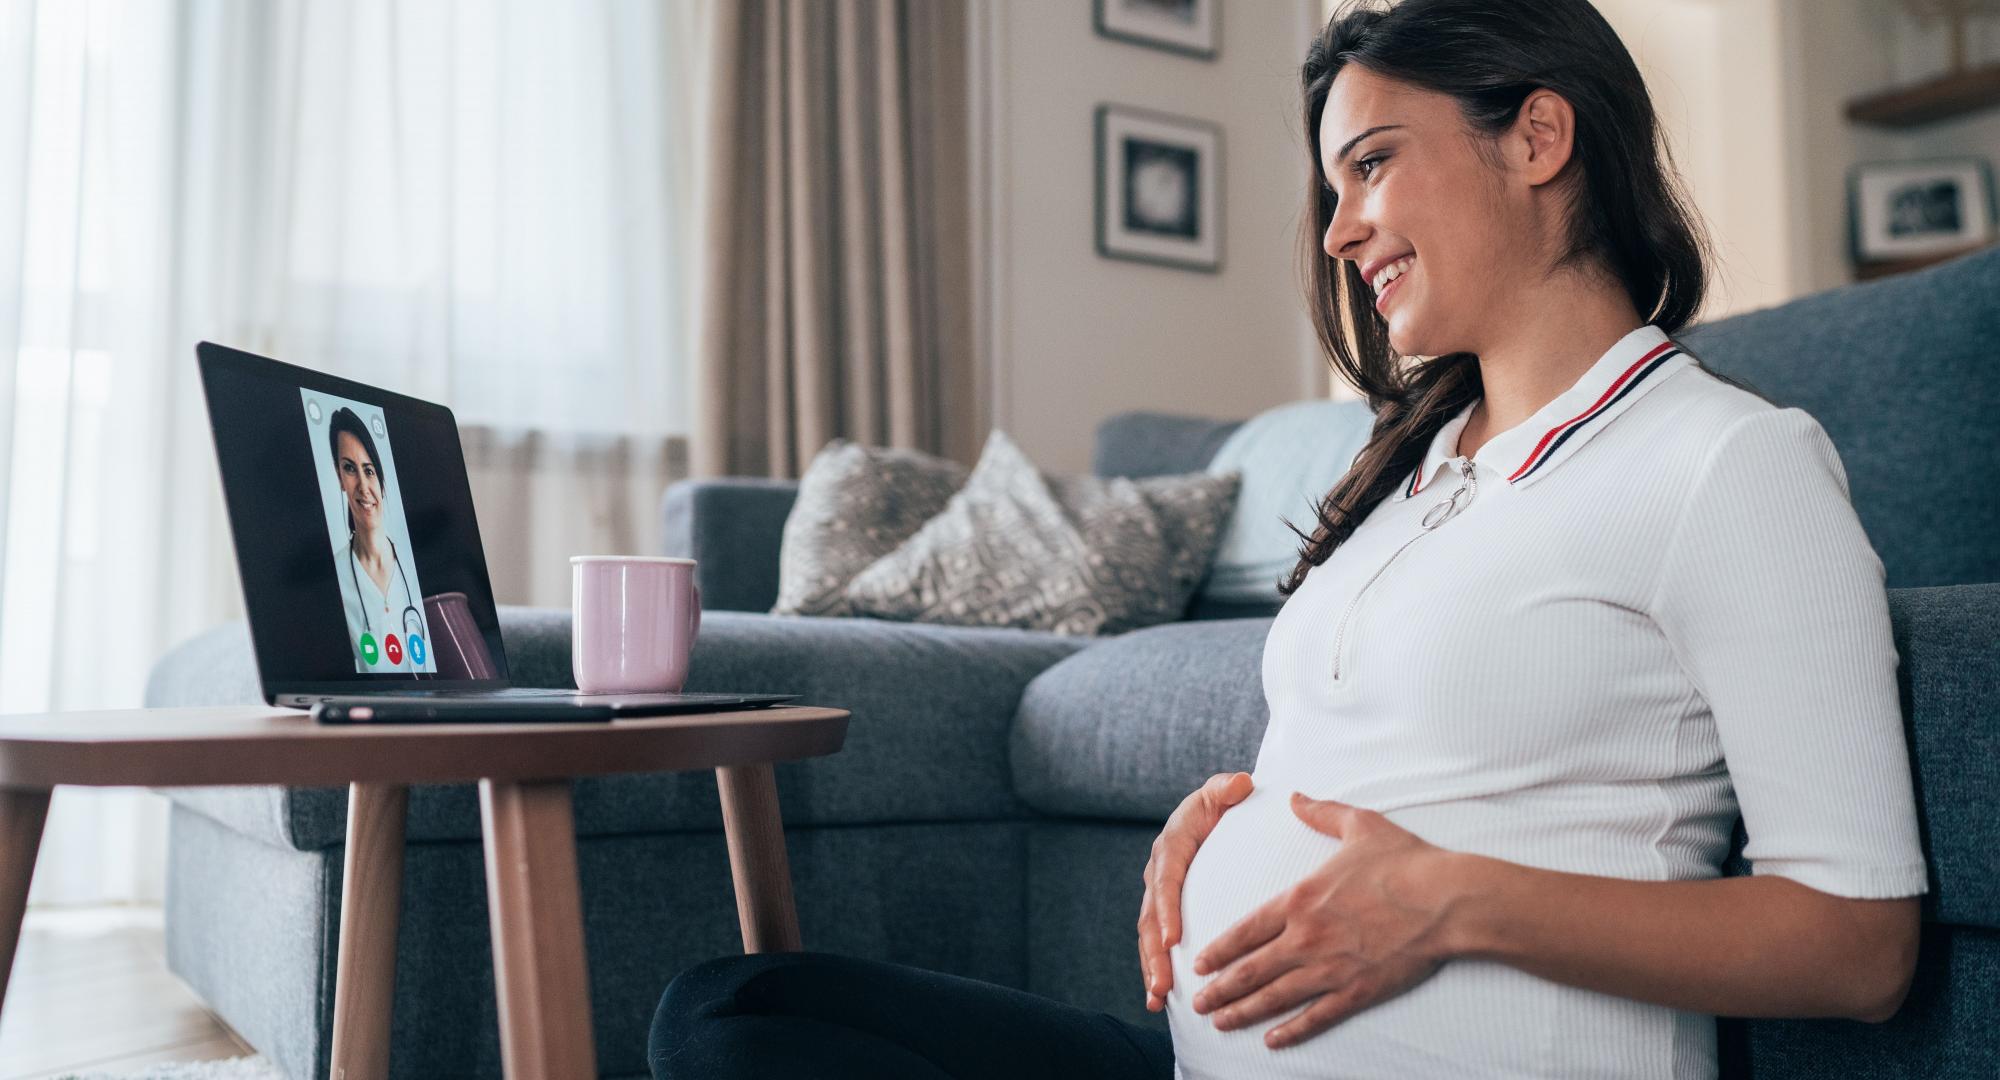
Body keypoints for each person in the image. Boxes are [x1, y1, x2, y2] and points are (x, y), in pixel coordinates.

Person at [647, 1, 1927, 1077]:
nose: (1336, 229)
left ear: (1538, 135)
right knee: (727, 1011)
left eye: (1370, 163)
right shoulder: (1414, 468)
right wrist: (1243, 815)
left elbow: (1857, 946)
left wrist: (1446, 904)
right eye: (1332, 186)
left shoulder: (1726, 464)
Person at [326, 406, 427, 672]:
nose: (362, 486)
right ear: (339, 476)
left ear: (380, 479)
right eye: (350, 469)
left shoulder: (415, 564)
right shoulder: (332, 576)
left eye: (368, 470)